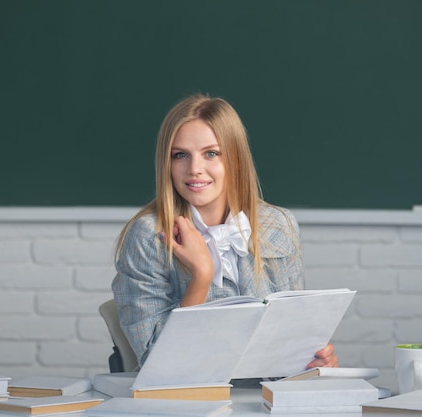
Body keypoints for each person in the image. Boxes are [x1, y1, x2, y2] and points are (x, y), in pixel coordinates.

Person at [112, 94, 338, 372]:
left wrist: (312, 361)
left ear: (236, 160)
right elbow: (159, 367)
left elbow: (293, 338)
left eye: (211, 153)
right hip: (189, 399)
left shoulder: (278, 224)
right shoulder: (148, 237)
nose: (195, 169)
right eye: (180, 155)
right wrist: (202, 275)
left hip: (263, 399)